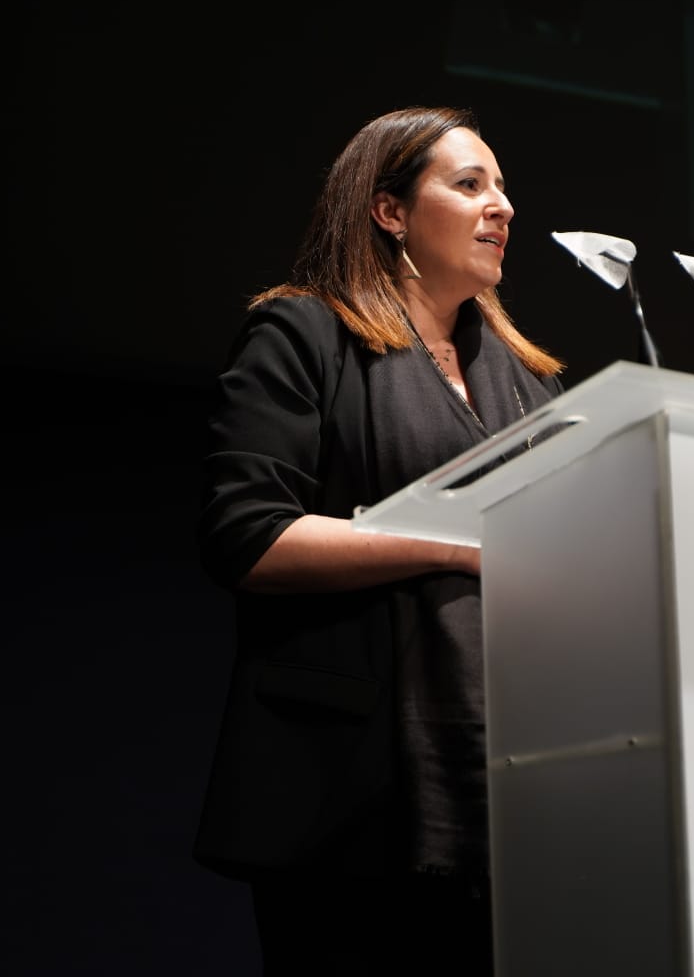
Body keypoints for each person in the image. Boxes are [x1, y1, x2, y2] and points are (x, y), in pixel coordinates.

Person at [193, 106, 565, 975]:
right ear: (389, 210)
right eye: (470, 184)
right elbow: (247, 536)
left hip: (519, 789)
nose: (502, 206)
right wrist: (450, 542)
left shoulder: (537, 387)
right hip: (348, 796)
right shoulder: (305, 336)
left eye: (503, 187)